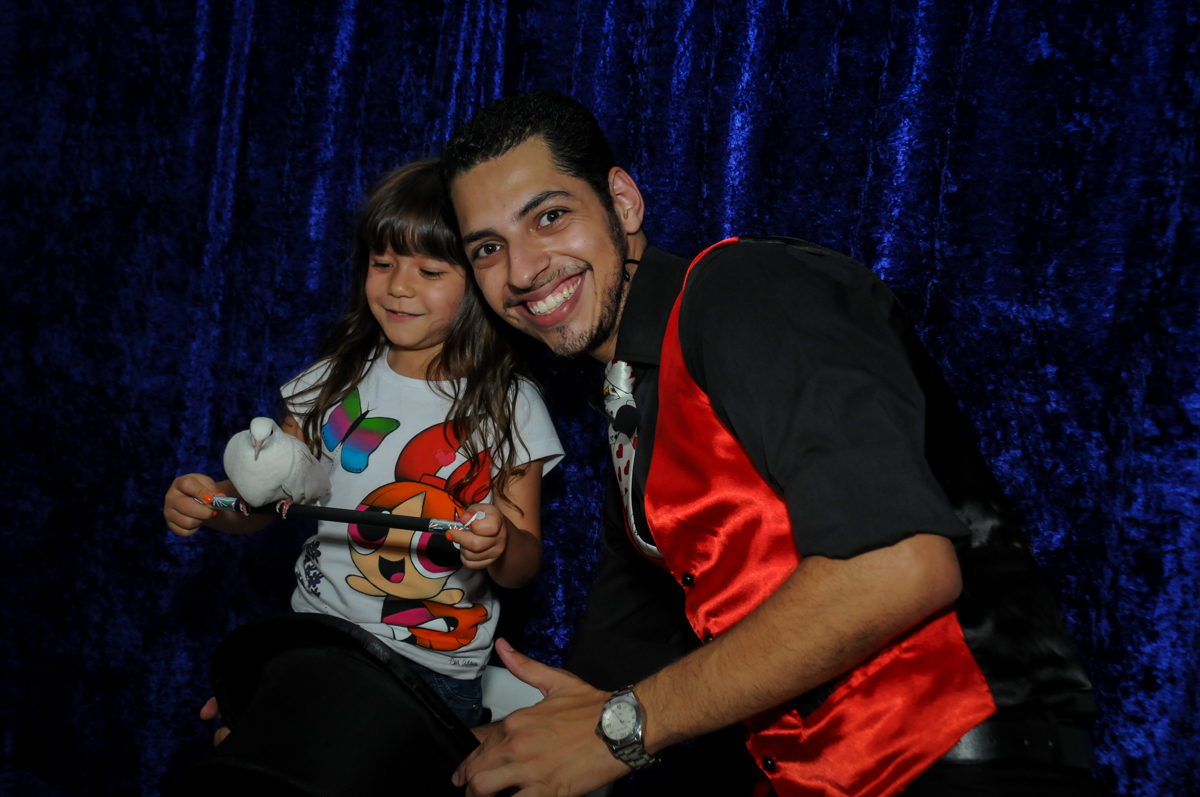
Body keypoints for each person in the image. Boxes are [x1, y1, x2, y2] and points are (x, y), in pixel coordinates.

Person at [438, 92, 1098, 796]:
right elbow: (610, 665)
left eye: (549, 216)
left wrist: (619, 730)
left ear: (622, 204)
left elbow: (897, 564)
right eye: (488, 248)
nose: (522, 270)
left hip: (963, 768)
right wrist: (450, 749)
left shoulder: (744, 288)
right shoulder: (634, 412)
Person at [163, 158, 564, 728]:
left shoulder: (510, 405)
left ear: (479, 281)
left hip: (431, 669)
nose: (398, 286)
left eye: (430, 271)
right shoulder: (333, 380)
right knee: (237, 746)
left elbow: (522, 566)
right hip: (313, 639)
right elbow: (262, 501)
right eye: (382, 263)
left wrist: (498, 544)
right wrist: (210, 502)